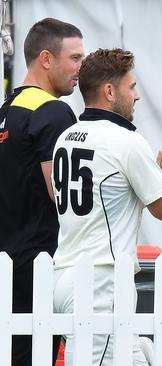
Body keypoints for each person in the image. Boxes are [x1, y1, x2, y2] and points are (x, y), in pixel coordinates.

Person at [51, 48, 162, 365]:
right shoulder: (126, 140)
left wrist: (153, 174)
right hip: (100, 284)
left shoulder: (66, 137)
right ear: (109, 91)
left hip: (65, 277)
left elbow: (108, 194)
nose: (137, 96)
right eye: (132, 87)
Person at [0, 18, 83, 366]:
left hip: (6, 263)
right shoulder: (53, 113)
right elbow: (62, 196)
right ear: (46, 59)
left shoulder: (7, 111)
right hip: (38, 267)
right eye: (75, 58)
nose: (82, 68)